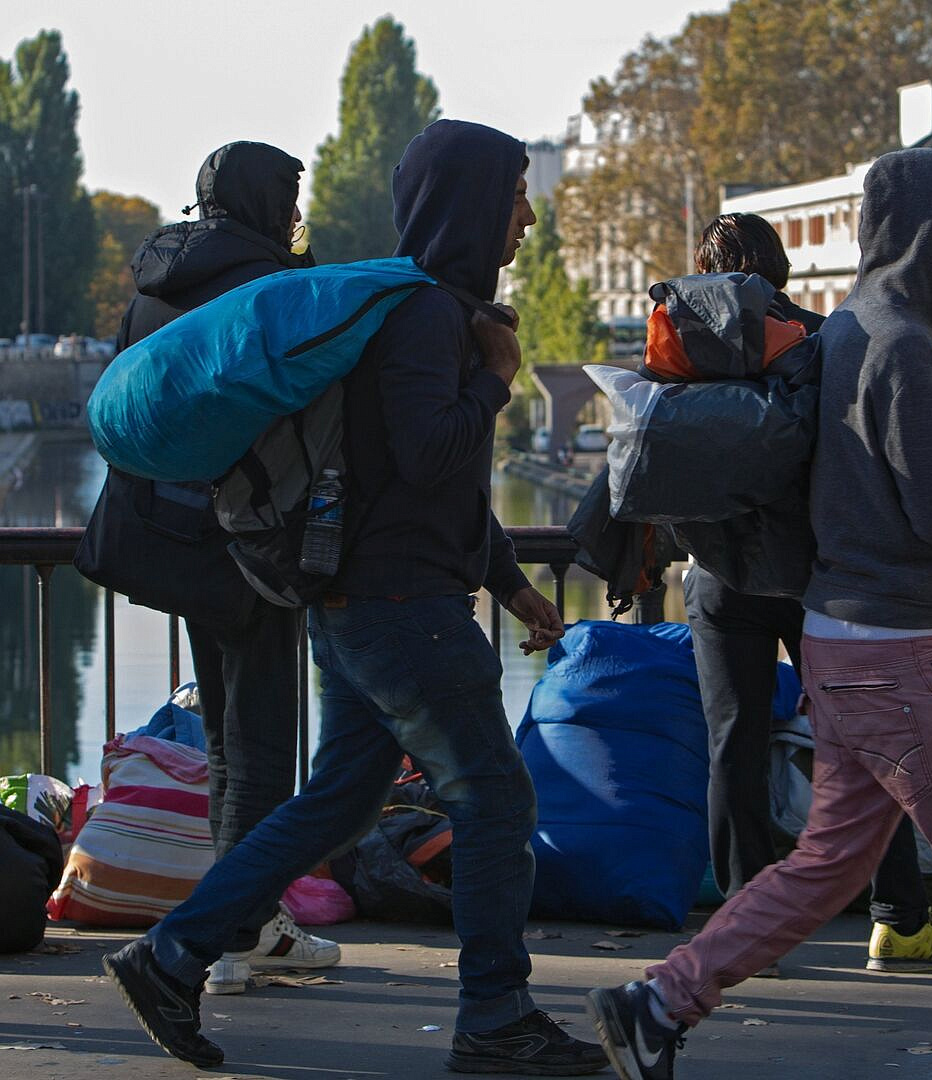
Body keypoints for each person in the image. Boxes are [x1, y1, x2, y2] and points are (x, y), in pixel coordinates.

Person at [104, 120, 605, 1076]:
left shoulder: (422, 307)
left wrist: (508, 583)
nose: (527, 220)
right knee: (497, 799)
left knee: (339, 798)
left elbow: (421, 486)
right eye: (514, 198)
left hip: (361, 605)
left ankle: (171, 953)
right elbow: (428, 453)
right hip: (401, 610)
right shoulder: (423, 317)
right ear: (468, 205)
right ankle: (494, 1013)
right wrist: (497, 383)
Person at [590, 151, 932, 1080]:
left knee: (830, 861)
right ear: (931, 238)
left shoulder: (847, 334)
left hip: (837, 637)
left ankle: (657, 1004)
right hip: (893, 649)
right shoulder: (908, 349)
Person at [91, 141, 341, 996]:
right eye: (289, 196)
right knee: (266, 744)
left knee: (229, 738)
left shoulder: (152, 291)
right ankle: (238, 931)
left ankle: (241, 921)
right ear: (265, 201)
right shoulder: (263, 290)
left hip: (181, 542)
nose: (296, 212)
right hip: (256, 541)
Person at [685, 211, 932, 976]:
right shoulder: (826, 338)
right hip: (816, 573)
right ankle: (898, 917)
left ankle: (745, 928)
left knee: (732, 744)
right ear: (783, 265)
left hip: (720, 573)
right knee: (862, 746)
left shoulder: (690, 343)